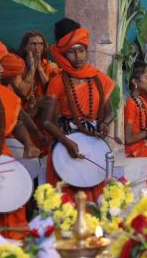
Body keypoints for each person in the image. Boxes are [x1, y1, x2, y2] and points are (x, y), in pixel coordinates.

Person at [42, 18, 116, 203]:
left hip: (94, 147)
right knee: (68, 205)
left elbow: (111, 111)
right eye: (71, 52)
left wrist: (105, 123)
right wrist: (67, 142)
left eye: (81, 50)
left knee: (96, 203)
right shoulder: (57, 82)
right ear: (62, 54)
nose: (78, 56)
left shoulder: (99, 78)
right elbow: (47, 121)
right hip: (65, 147)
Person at [0, 38, 41, 238]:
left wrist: (28, 143)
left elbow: (17, 121)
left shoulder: (1, 93)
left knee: (10, 208)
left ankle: (13, 252)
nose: (2, 69)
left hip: (2, 157)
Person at [124, 62, 147, 193]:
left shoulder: (141, 100)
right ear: (135, 81)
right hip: (137, 157)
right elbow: (128, 139)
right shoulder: (130, 103)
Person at [15, 30, 59, 117]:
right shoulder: (18, 66)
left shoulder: (51, 66)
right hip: (23, 113)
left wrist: (39, 68)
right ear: (25, 47)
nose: (37, 48)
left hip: (45, 113)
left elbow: (51, 91)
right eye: (33, 44)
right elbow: (22, 92)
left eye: (41, 44)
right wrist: (32, 69)